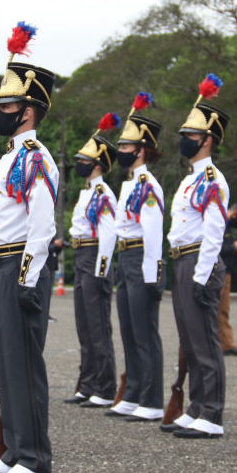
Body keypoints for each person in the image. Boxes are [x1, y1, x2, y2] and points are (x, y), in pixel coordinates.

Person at [0, 61, 58, 473]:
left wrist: (26, 280)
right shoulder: (11, 157)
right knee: (7, 367)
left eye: (7, 105)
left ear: (28, 111)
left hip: (22, 268)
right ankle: (16, 451)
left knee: (23, 367)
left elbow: (42, 225)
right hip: (2, 266)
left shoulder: (36, 158)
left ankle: (35, 459)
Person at [163, 77, 230, 440]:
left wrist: (203, 276)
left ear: (206, 139)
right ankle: (196, 407)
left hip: (200, 261)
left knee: (205, 340)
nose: (184, 139)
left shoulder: (211, 179)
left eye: (190, 134)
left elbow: (214, 231)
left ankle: (212, 412)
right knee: (190, 340)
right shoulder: (191, 179)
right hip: (183, 260)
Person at [104, 93, 165, 423]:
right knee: (128, 330)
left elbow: (153, 233)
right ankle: (134, 392)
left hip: (141, 258)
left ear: (141, 150)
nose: (121, 150)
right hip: (125, 257)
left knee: (144, 332)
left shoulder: (147, 185)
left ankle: (152, 399)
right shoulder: (129, 184)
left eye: (126, 146)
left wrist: (153, 274)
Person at [63, 113, 119, 408]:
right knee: (84, 326)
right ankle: (87, 383)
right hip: (82, 256)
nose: (79, 163)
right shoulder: (88, 192)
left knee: (98, 327)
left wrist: (101, 270)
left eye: (84, 160)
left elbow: (109, 234)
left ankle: (105, 387)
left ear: (97, 164)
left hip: (94, 258)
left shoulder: (102, 193)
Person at [219, 204, 237, 357]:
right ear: (235, 214)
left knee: (223, 310)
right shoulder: (219, 221)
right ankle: (217, 344)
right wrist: (233, 247)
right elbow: (214, 247)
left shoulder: (227, 225)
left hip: (226, 272)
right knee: (215, 309)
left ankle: (226, 344)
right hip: (218, 272)